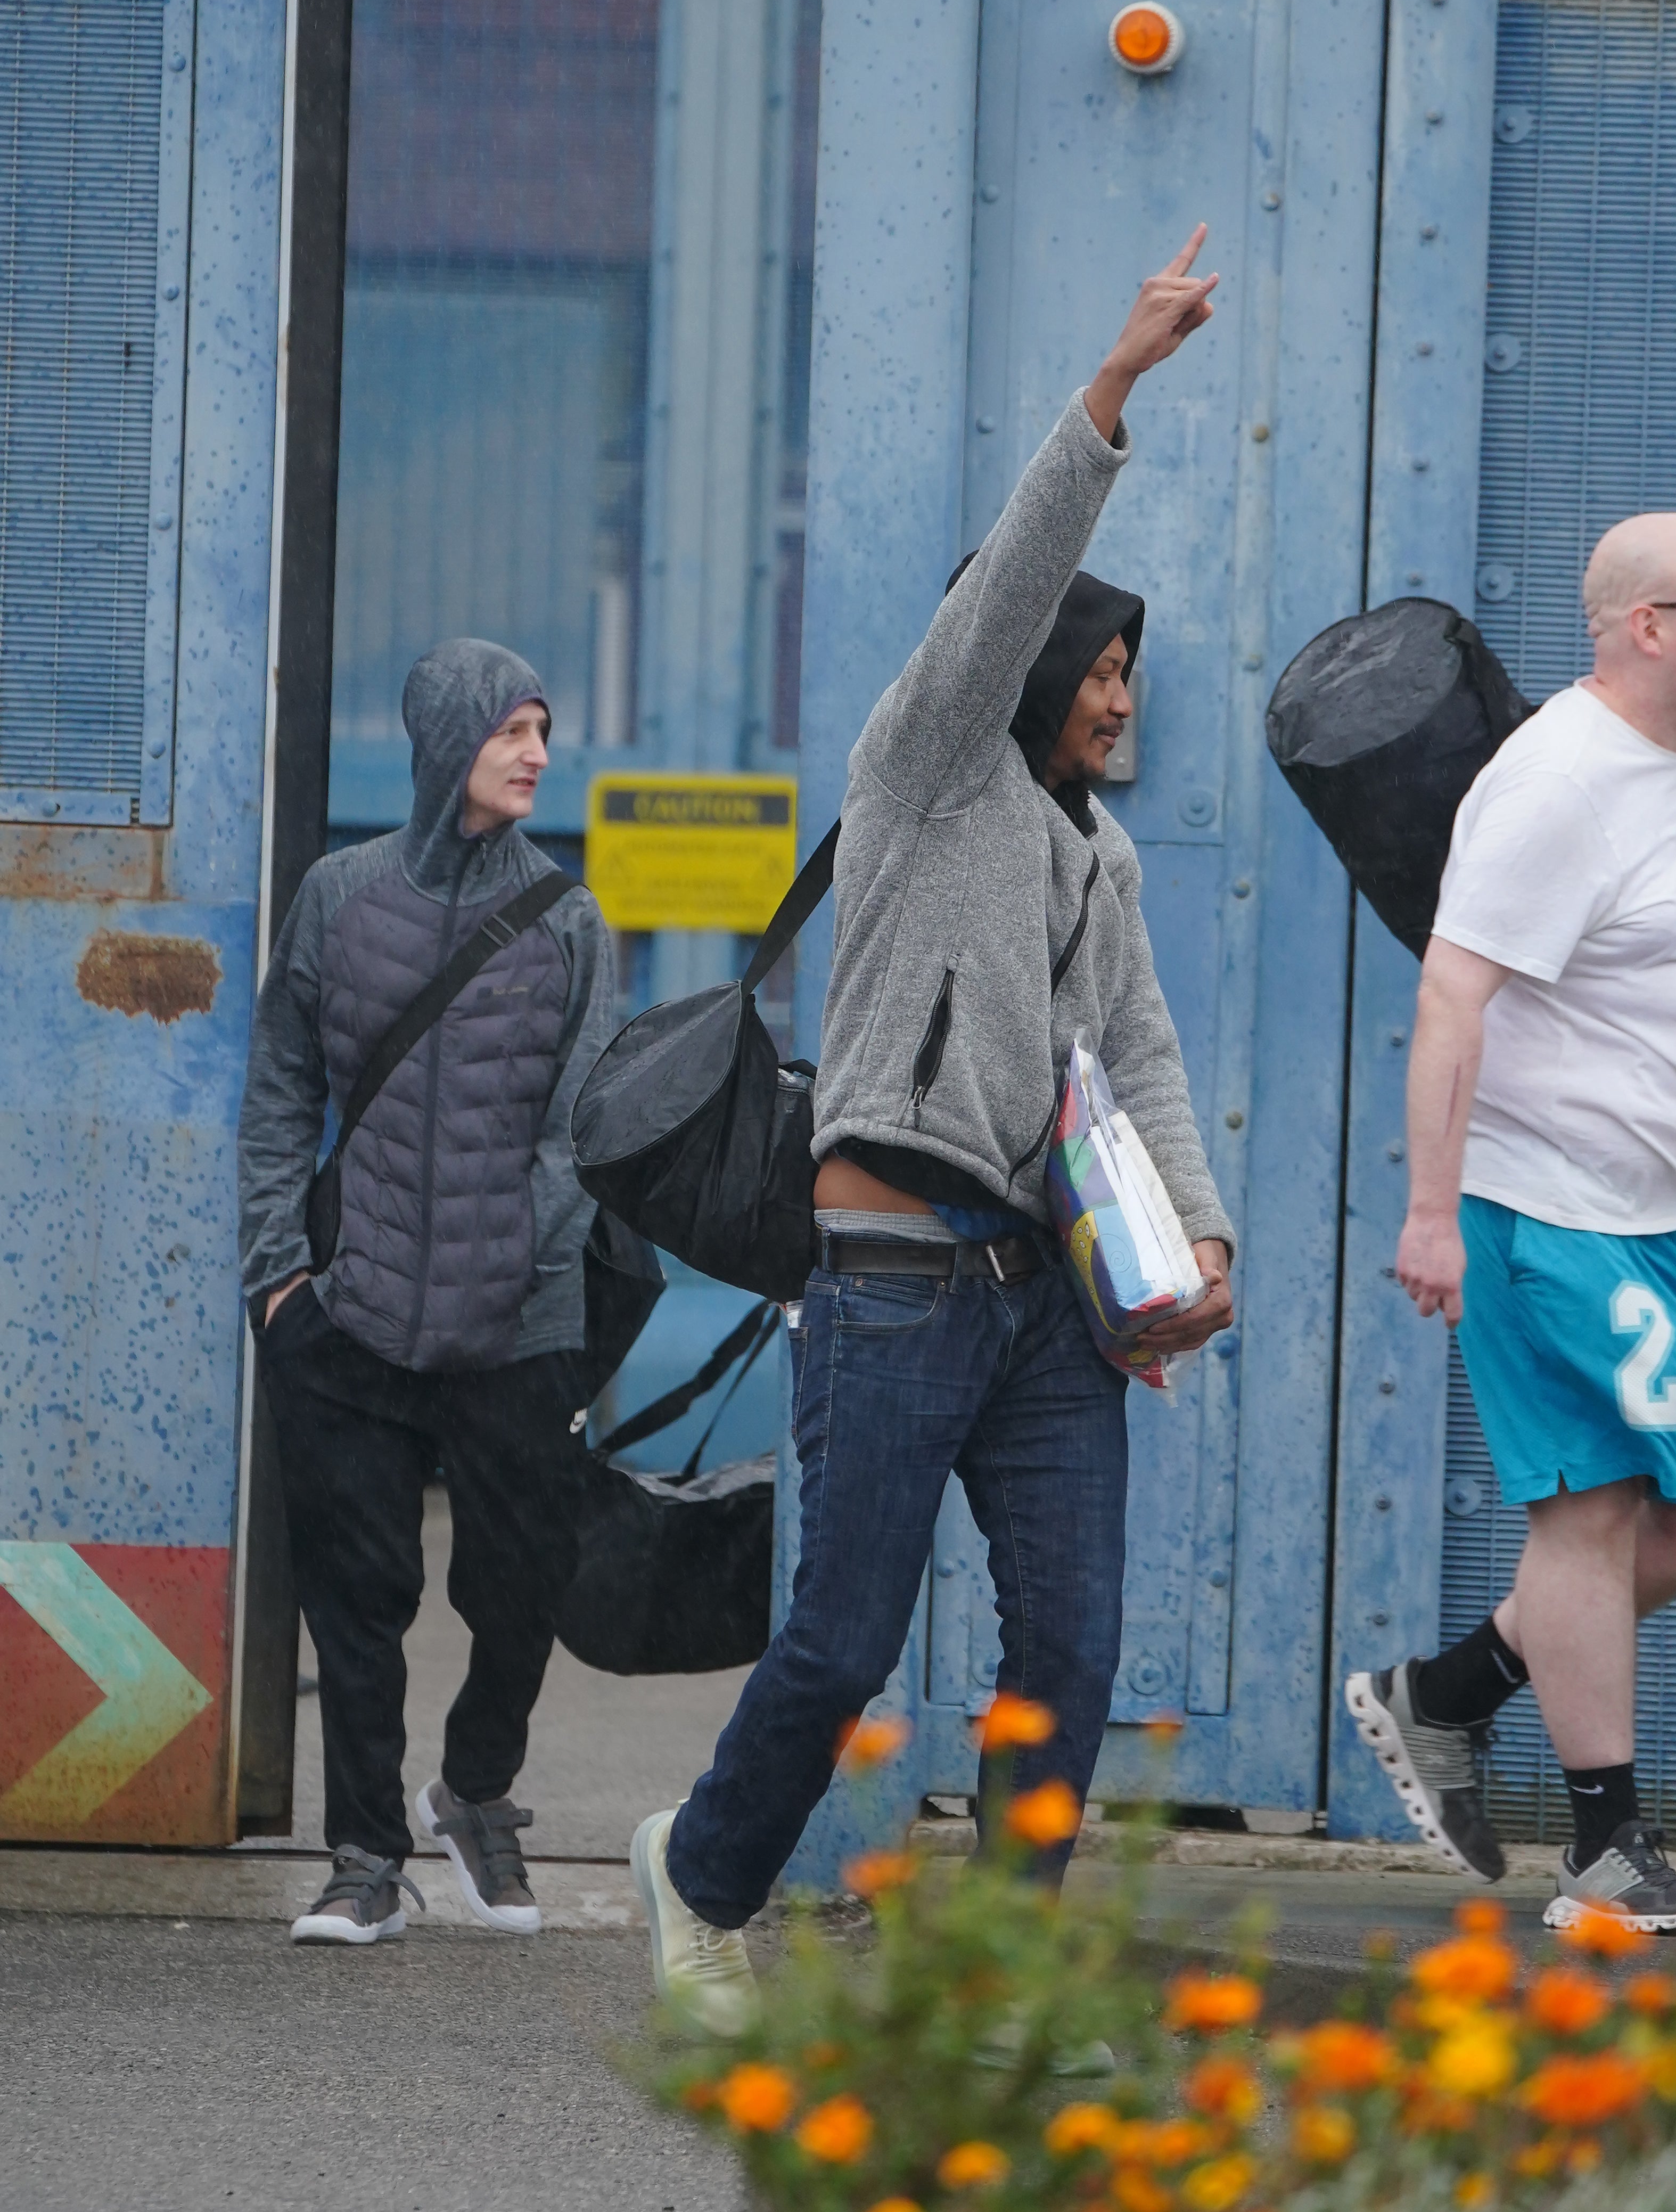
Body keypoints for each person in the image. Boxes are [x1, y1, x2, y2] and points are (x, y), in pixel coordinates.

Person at [632, 234, 1237, 2025]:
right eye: (1101, 665)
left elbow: (1137, 1054)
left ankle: (1006, 1981)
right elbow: (1004, 593)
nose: (1122, 694)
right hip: (896, 1268)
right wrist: (1111, 391)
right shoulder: (923, 767)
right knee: (840, 1639)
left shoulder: (1099, 855)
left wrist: (1194, 1243)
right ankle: (703, 1873)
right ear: (1028, 662)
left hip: (1043, 1300)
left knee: (1068, 1642)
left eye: (1134, 669)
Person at [1352, 515, 1676, 1935]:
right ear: (1645, 626)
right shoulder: (1551, 786)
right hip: (1549, 1208)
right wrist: (1432, 1211)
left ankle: (1452, 1691)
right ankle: (1603, 1856)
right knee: (1591, 1513)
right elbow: (1451, 996)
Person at [238, 641, 615, 1946]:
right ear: (451, 738)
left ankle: (475, 1789)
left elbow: (584, 1129)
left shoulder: (570, 919)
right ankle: (362, 1858)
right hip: (351, 1314)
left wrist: (519, 1251)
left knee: (522, 1580)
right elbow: (284, 1082)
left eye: (542, 727)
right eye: (513, 727)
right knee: (359, 1588)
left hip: (520, 1322)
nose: (535, 753)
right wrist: (278, 1274)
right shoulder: (339, 898)